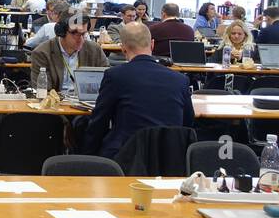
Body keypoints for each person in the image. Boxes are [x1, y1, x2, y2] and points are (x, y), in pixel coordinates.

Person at [82, 22, 195, 161]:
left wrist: (86, 157)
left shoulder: (115, 76)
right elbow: (188, 121)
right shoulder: (180, 79)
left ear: (123, 48)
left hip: (125, 157)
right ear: (152, 44)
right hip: (170, 158)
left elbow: (100, 121)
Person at [28, 14, 108, 95]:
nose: (81, 39)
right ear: (61, 32)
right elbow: (43, 92)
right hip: (56, 104)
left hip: (87, 104)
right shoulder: (42, 53)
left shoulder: (95, 50)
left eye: (83, 34)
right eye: (75, 33)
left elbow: (108, 82)